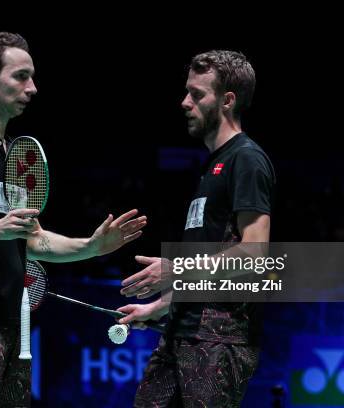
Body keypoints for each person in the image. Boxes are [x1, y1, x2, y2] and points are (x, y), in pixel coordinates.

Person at [0, 32, 147, 408]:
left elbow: (32, 240)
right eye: (21, 76)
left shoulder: (16, 155)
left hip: (16, 322)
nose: (32, 87)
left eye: (32, 77)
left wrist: (91, 246)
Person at [117, 50, 275, 407]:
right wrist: (158, 307)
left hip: (218, 343)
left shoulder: (246, 160)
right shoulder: (213, 166)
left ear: (227, 100)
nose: (185, 102)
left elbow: (254, 254)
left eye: (197, 94)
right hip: (182, 333)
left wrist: (176, 269)